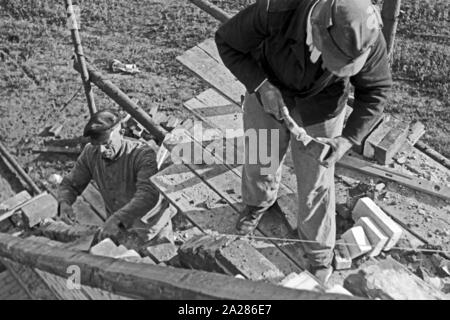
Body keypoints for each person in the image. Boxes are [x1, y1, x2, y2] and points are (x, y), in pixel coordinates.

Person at [215, 0, 392, 283]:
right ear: (318, 29)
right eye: (336, 58)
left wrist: (346, 140)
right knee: (262, 155)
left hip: (322, 106)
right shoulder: (276, 9)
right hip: (268, 88)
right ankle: (257, 203)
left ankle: (320, 253)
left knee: (317, 180)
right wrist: (261, 86)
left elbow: (377, 90)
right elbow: (226, 41)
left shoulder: (366, 35)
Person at [57, 110, 175, 245]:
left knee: (160, 263)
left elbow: (147, 195)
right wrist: (64, 203)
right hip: (120, 231)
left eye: (107, 144)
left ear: (121, 133)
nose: (101, 151)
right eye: (97, 145)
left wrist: (117, 218)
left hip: (151, 232)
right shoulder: (91, 153)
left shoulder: (143, 155)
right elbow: (70, 184)